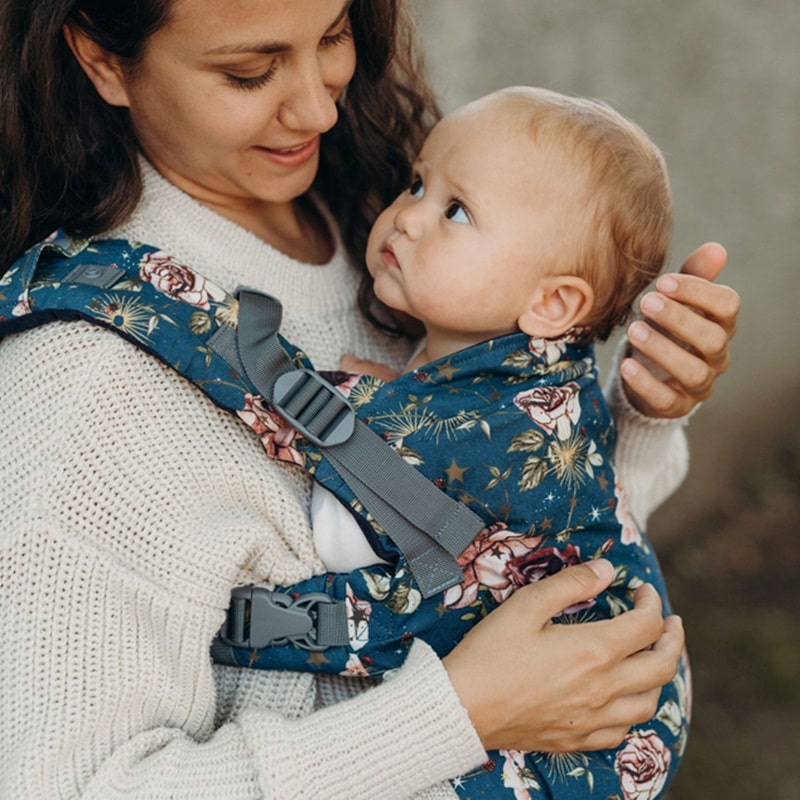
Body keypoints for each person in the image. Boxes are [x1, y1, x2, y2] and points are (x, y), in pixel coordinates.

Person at [0, 2, 739, 799]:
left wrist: (640, 414)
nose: (320, 107)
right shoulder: (85, 388)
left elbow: (516, 549)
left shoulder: (373, 216)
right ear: (104, 61)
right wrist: (459, 713)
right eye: (249, 72)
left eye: (333, 36)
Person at [223, 85, 688, 799]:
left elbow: (348, 536)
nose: (407, 218)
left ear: (552, 303)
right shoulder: (537, 380)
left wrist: (368, 416)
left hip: (559, 758)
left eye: (455, 211)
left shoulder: (494, 433)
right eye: (417, 183)